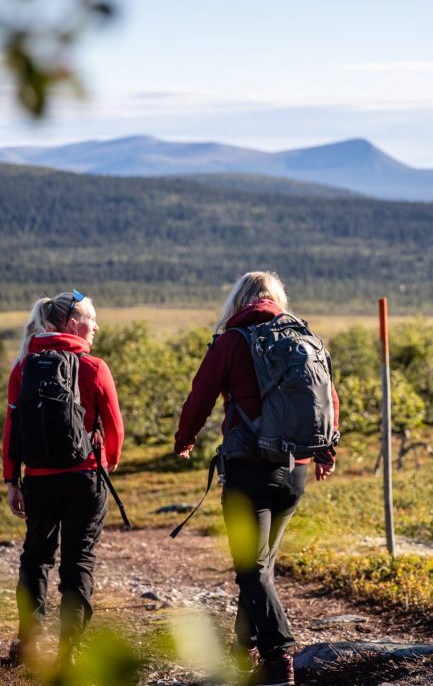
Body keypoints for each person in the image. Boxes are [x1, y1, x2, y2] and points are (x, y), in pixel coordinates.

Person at [174, 271, 339, 686]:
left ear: (240, 301)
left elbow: (201, 394)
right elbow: (328, 398)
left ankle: (279, 654)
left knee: (251, 569)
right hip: (295, 472)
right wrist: (325, 451)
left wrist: (185, 438)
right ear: (276, 299)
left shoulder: (231, 341)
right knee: (260, 567)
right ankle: (241, 648)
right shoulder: (304, 338)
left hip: (249, 470)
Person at [1, 290, 125, 666]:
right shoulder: (94, 367)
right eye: (91, 320)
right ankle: (70, 651)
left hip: (39, 480)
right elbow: (115, 426)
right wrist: (110, 460)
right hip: (85, 477)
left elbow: (12, 427)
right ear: (72, 325)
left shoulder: (23, 367)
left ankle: (28, 644)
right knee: (78, 562)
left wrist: (12, 479)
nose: (96, 327)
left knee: (35, 557)